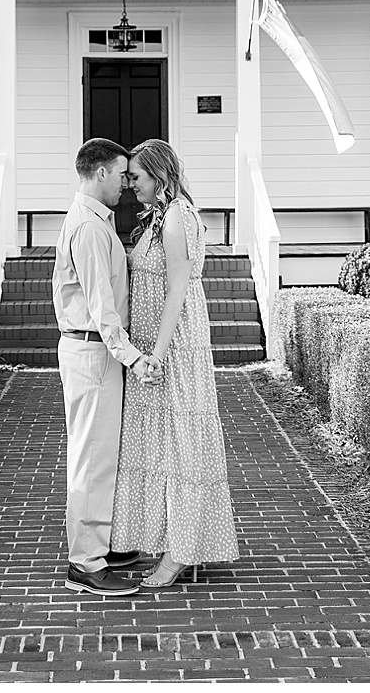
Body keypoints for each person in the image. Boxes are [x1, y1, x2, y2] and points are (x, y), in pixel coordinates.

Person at [110, 137, 240, 587]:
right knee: (160, 445)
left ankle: (182, 552)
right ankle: (167, 541)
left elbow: (178, 288)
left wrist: (157, 355)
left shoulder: (177, 216)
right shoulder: (158, 216)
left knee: (180, 445)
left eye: (136, 177)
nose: (131, 185)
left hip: (174, 345)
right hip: (152, 343)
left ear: (158, 175)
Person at [51, 137, 159, 597]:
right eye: (120, 174)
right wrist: (132, 357)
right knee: (92, 459)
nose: (126, 184)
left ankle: (100, 545)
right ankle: (86, 563)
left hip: (95, 352)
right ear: (100, 173)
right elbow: (101, 306)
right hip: (93, 351)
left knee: (100, 455)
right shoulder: (89, 228)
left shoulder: (94, 220)